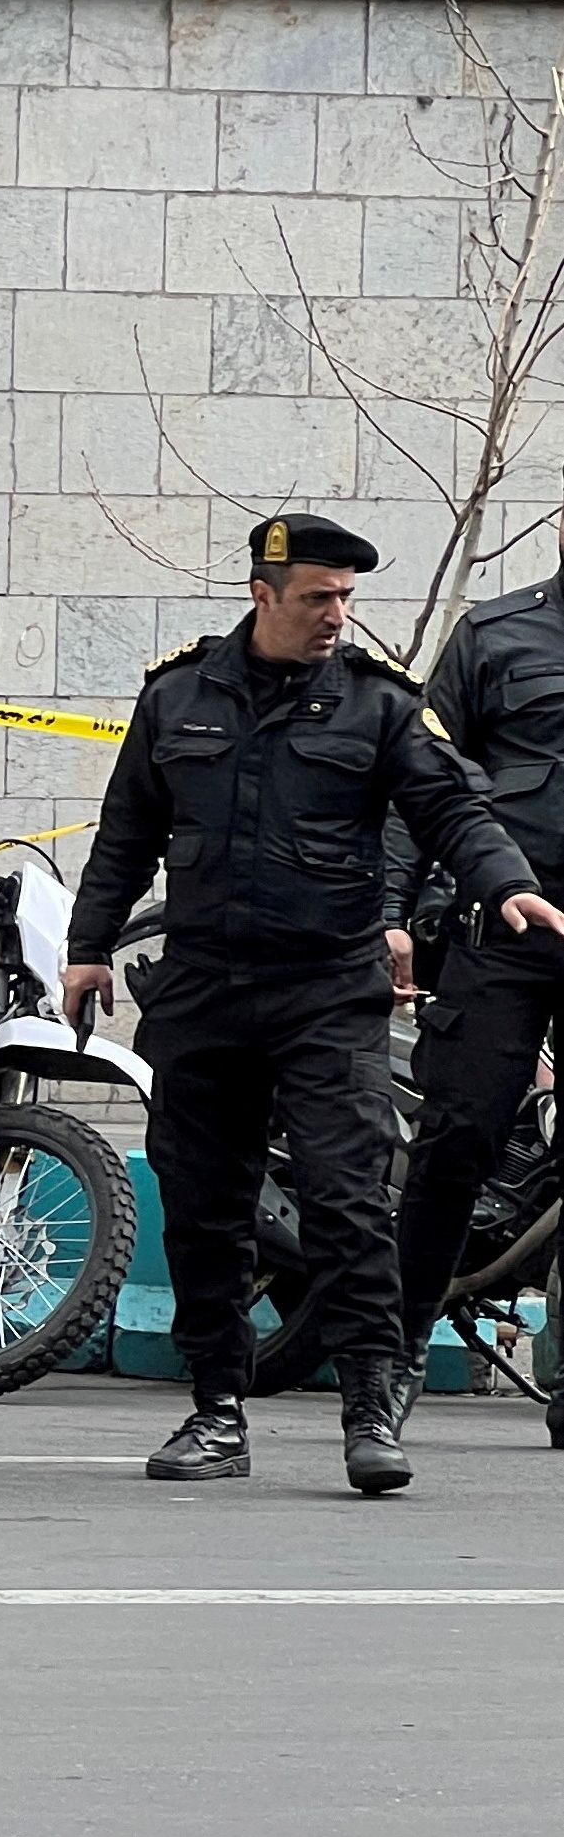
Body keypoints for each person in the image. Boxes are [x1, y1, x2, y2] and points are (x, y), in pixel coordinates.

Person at [61, 513, 564, 1496]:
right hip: (205, 987)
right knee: (207, 1210)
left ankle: (372, 1407)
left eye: (346, 598)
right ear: (264, 595)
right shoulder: (176, 698)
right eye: (318, 598)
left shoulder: (378, 707)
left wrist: (501, 881)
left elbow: (455, 806)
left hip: (327, 990)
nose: (338, 616)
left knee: (346, 1201)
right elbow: (127, 830)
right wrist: (87, 952)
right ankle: (215, 1413)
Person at [389, 550, 564, 1383]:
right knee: (458, 1139)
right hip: (505, 934)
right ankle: (396, 1353)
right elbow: (419, 782)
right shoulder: (494, 635)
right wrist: (388, 911)